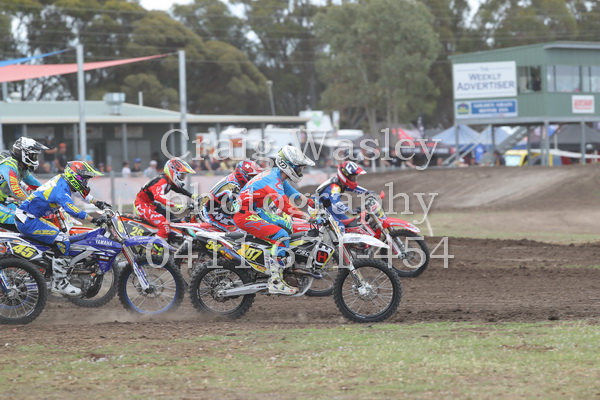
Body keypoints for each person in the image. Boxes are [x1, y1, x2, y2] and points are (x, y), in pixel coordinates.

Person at [15, 161, 109, 296]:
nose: (86, 182)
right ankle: (59, 282)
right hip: (28, 221)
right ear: (74, 177)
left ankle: (50, 270)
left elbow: (79, 193)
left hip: (31, 217)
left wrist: (97, 202)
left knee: (59, 236)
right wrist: (92, 219)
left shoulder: (64, 181)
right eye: (84, 179)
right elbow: (71, 208)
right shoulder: (60, 189)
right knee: (63, 239)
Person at [233, 146, 316, 295]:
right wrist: (307, 217)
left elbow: (291, 192)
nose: (300, 172)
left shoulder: (277, 174)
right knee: (281, 235)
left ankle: (277, 263)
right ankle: (275, 281)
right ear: (288, 165)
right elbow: (284, 206)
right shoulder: (272, 180)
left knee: (287, 226)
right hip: (245, 215)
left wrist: (309, 202)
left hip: (255, 211)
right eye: (299, 168)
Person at [135, 158, 198, 242]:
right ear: (173, 172)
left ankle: (174, 241)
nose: (182, 178)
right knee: (164, 226)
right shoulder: (161, 181)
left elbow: (178, 189)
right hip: (142, 205)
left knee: (175, 220)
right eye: (181, 175)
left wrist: (193, 196)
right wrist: (174, 205)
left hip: (152, 204)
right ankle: (155, 248)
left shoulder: (169, 181)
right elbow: (158, 197)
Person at [201, 160, 262, 232]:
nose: (255, 180)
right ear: (243, 175)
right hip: (213, 213)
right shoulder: (232, 187)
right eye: (253, 177)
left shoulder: (236, 179)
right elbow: (238, 210)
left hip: (223, 207)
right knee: (242, 231)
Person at [0, 138, 48, 229]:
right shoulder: (9, 164)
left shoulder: (21, 168)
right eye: (33, 155)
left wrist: (50, 193)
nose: (35, 158)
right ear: (24, 153)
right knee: (22, 219)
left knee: (31, 215)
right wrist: (31, 202)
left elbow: (35, 184)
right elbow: (15, 189)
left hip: (3, 201)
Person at [315, 161, 371, 231]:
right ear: (345, 175)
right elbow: (336, 202)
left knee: (349, 223)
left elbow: (354, 188)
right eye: (352, 177)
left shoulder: (341, 183)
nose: (354, 179)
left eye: (355, 177)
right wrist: (350, 210)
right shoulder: (335, 186)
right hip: (317, 209)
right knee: (340, 227)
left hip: (328, 206)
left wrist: (368, 192)